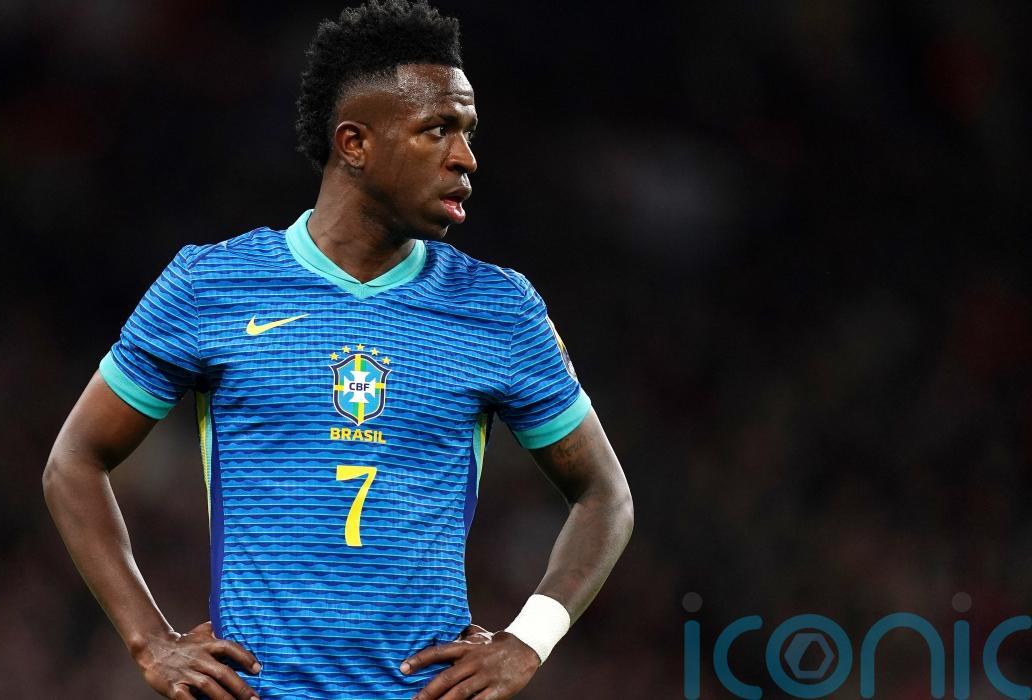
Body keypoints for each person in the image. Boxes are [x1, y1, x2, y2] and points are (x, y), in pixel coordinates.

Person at [43, 1, 634, 698]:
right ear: (354, 143)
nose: (466, 158)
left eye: (468, 132)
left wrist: (528, 639)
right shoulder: (212, 286)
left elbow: (606, 495)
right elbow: (73, 461)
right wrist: (151, 641)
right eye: (438, 129)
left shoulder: (497, 309)